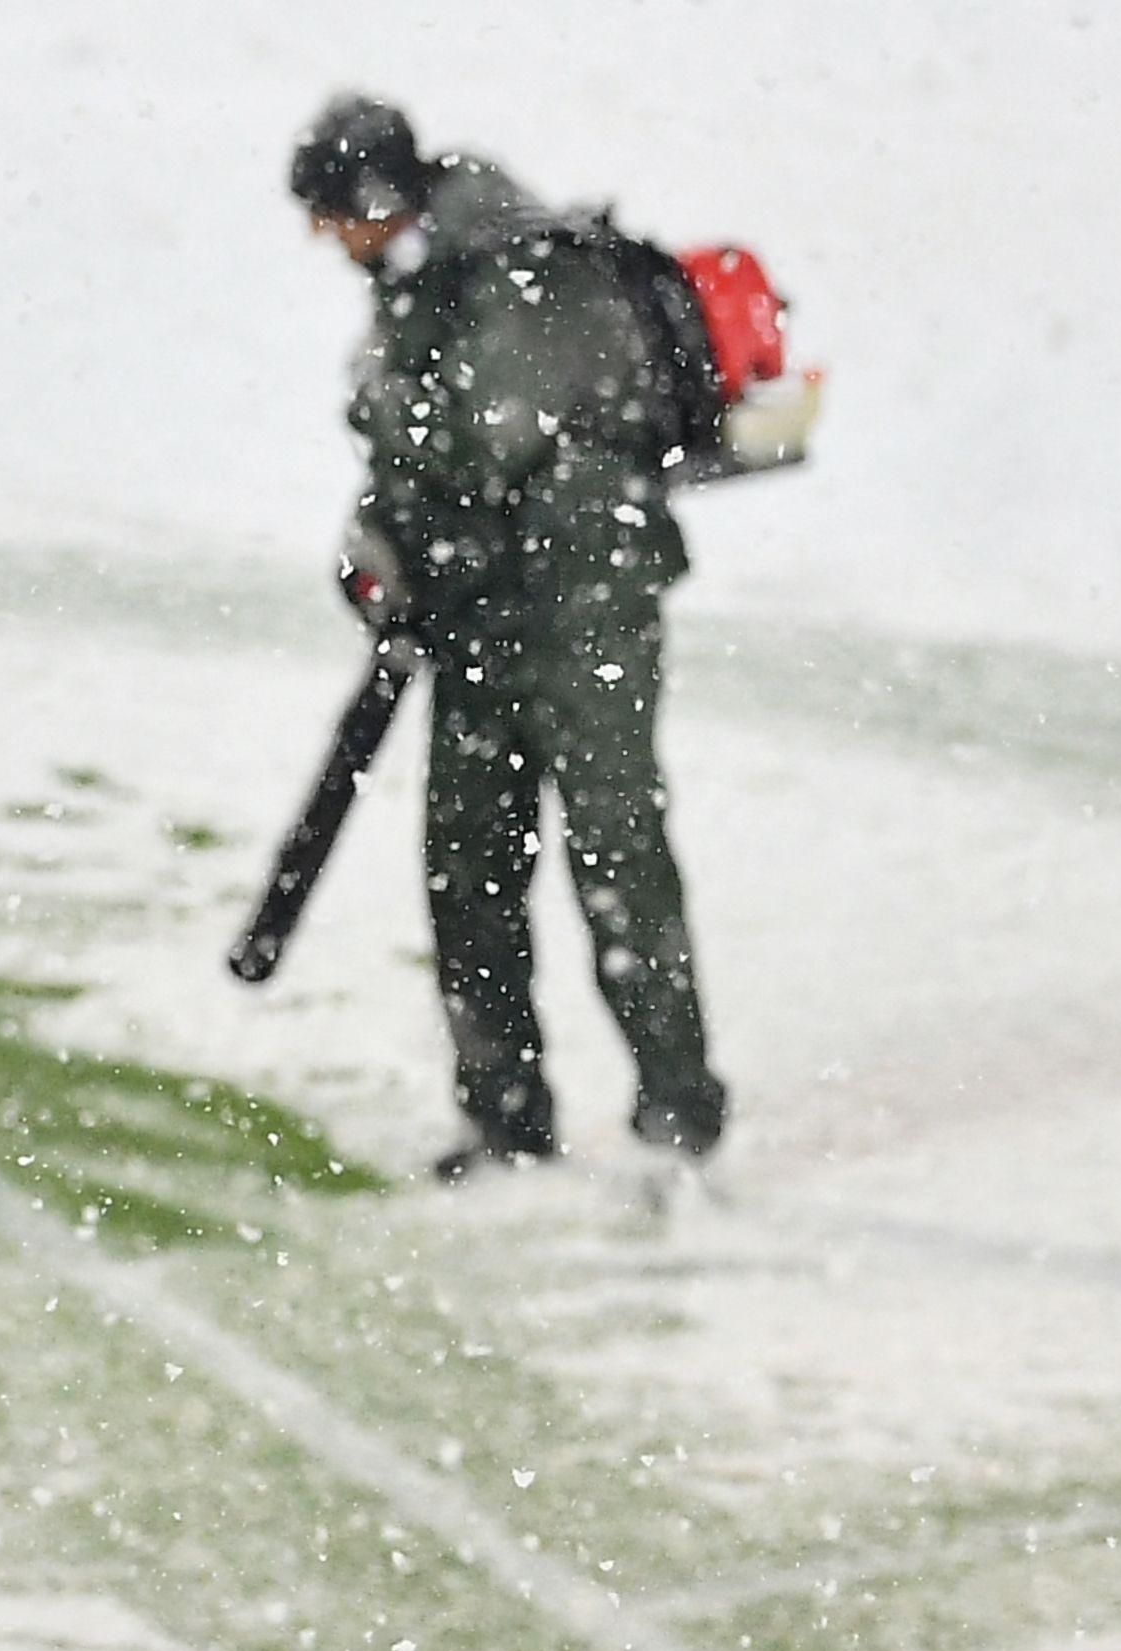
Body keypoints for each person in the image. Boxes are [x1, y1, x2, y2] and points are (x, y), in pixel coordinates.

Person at [288, 92, 728, 1175]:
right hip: (481, 615)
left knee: (613, 846)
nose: (325, 242)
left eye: (331, 215)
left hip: (585, 605)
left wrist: (416, 543)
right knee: (468, 861)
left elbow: (496, 445)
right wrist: (381, 550)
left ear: (378, 198)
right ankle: (504, 1115)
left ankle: (679, 1105)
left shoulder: (520, 269)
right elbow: (410, 455)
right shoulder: (419, 283)